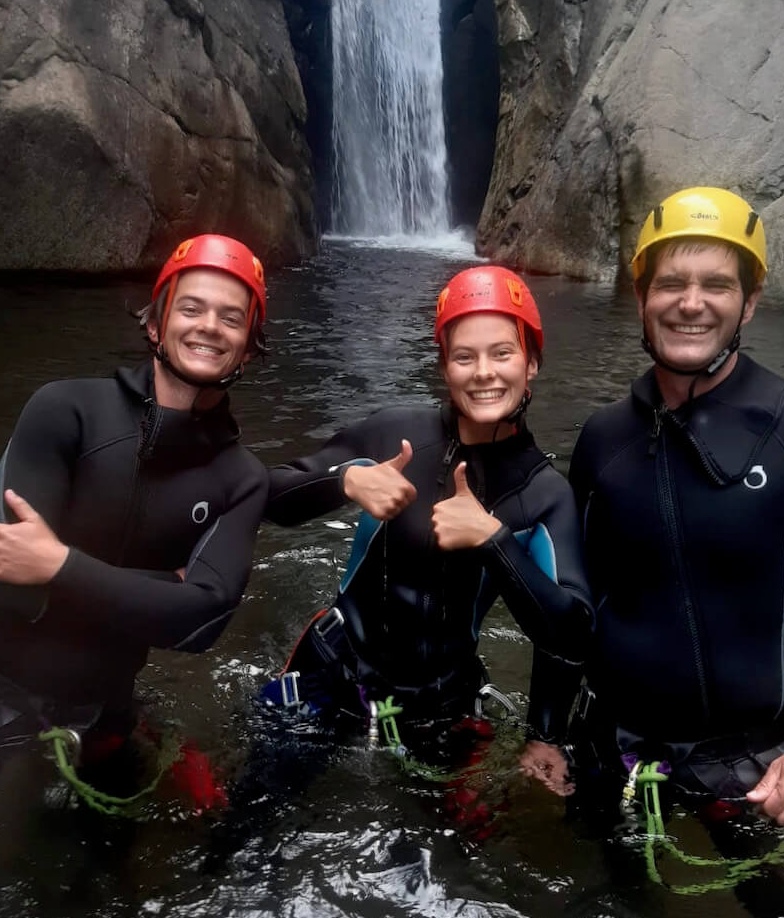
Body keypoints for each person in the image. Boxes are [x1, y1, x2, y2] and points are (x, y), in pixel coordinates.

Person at [567, 186, 784, 822]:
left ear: (749, 302)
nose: (691, 303)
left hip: (753, 767)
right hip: (608, 751)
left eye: (716, 285)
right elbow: (572, 601)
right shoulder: (604, 438)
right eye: (671, 283)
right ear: (641, 297)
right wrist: (545, 732)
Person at [0, 233, 270, 775]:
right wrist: (172, 587)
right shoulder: (66, 410)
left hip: (103, 716)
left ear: (248, 346)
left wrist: (58, 564)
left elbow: (203, 625)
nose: (208, 327)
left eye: (231, 318)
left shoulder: (242, 477)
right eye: (191, 308)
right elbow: (12, 588)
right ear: (155, 324)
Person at [254, 265, 593, 804]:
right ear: (444, 367)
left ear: (531, 362)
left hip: (443, 704)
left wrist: (494, 540)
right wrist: (345, 481)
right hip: (334, 675)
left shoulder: (543, 494)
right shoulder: (394, 435)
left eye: (502, 353)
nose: (484, 373)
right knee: (246, 824)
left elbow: (572, 632)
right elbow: (268, 496)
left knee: (461, 852)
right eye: (465, 357)